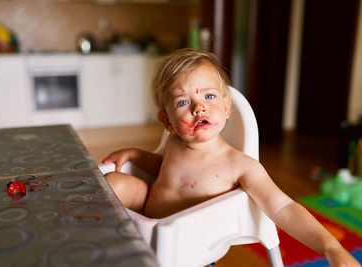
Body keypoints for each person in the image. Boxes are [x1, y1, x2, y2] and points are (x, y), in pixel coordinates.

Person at [103, 48, 360, 267]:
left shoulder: (239, 166)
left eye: (209, 96)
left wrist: (331, 247)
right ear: (167, 122)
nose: (198, 107)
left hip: (191, 251)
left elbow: (283, 207)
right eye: (183, 102)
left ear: (227, 108)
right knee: (112, 181)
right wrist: (135, 155)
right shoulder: (173, 141)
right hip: (145, 226)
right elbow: (164, 169)